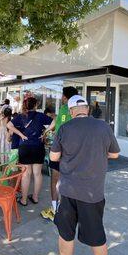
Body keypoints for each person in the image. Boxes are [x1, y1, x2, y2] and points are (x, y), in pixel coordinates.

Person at [50, 95, 120, 255]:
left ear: (72, 111)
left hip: (68, 191)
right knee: (97, 236)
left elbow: (54, 156)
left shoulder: (65, 128)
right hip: (92, 194)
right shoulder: (103, 127)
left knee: (65, 235)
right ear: (87, 109)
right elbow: (114, 154)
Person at [41, 86, 78, 221]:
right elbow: (56, 122)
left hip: (61, 151)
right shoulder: (79, 111)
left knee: (55, 181)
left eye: (62, 96)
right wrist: (47, 131)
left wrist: (48, 134)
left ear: (65, 97)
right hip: (74, 152)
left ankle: (55, 210)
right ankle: (70, 210)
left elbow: (59, 127)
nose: (61, 98)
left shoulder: (64, 108)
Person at [7, 97, 52, 205]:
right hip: (38, 146)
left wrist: (21, 134)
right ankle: (35, 198)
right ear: (35, 105)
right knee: (37, 174)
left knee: (26, 174)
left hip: (25, 147)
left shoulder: (21, 116)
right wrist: (45, 132)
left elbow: (9, 125)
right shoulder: (41, 115)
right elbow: (54, 121)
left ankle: (24, 200)